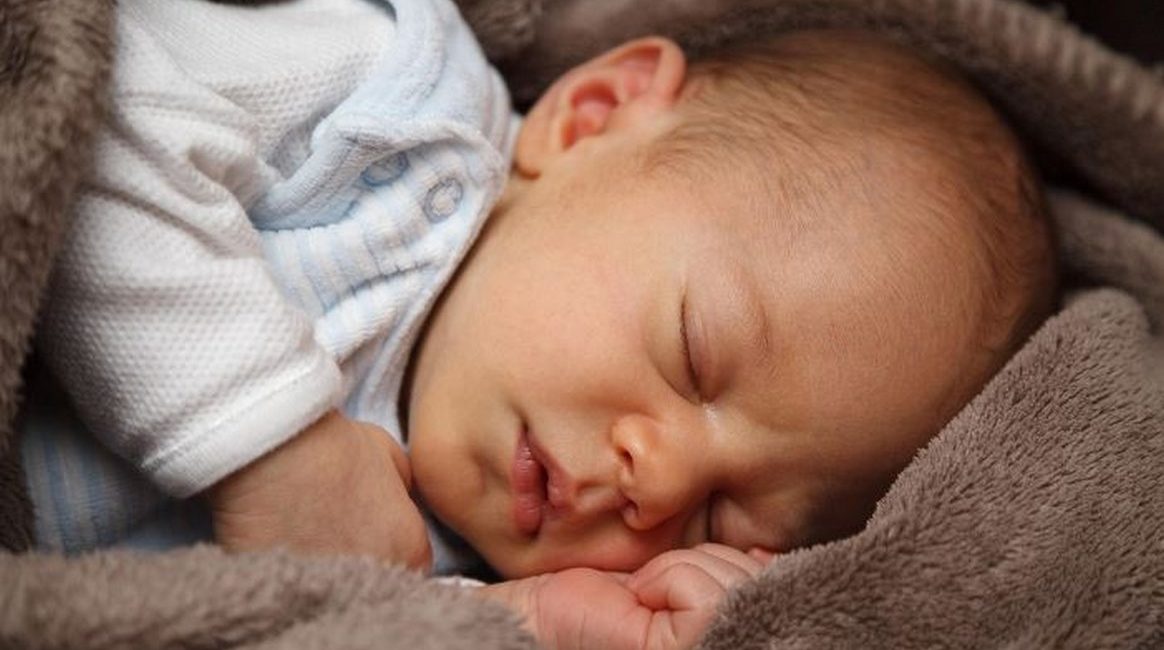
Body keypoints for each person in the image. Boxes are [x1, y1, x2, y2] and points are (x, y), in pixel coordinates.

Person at [21, 0, 1058, 645]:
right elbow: (94, 95)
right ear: (593, 116)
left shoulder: (453, 563)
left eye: (714, 520)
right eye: (693, 356)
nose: (657, 483)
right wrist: (274, 448)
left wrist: (518, 623)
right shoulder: (386, 115)